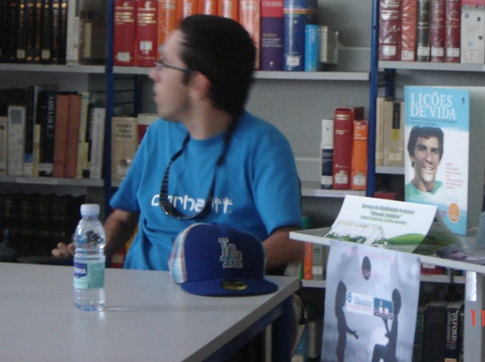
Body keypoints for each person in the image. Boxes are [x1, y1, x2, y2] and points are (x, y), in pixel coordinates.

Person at [53, 15, 304, 272]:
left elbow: (292, 242)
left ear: (197, 83)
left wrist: (223, 264)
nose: (153, 74)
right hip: (137, 290)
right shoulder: (159, 133)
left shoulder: (264, 146)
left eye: (163, 64)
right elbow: (123, 218)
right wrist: (88, 254)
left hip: (215, 290)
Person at [404, 126, 444, 204]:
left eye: (434, 151)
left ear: (439, 159)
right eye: (422, 149)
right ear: (412, 156)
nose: (429, 158)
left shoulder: (446, 192)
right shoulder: (406, 195)